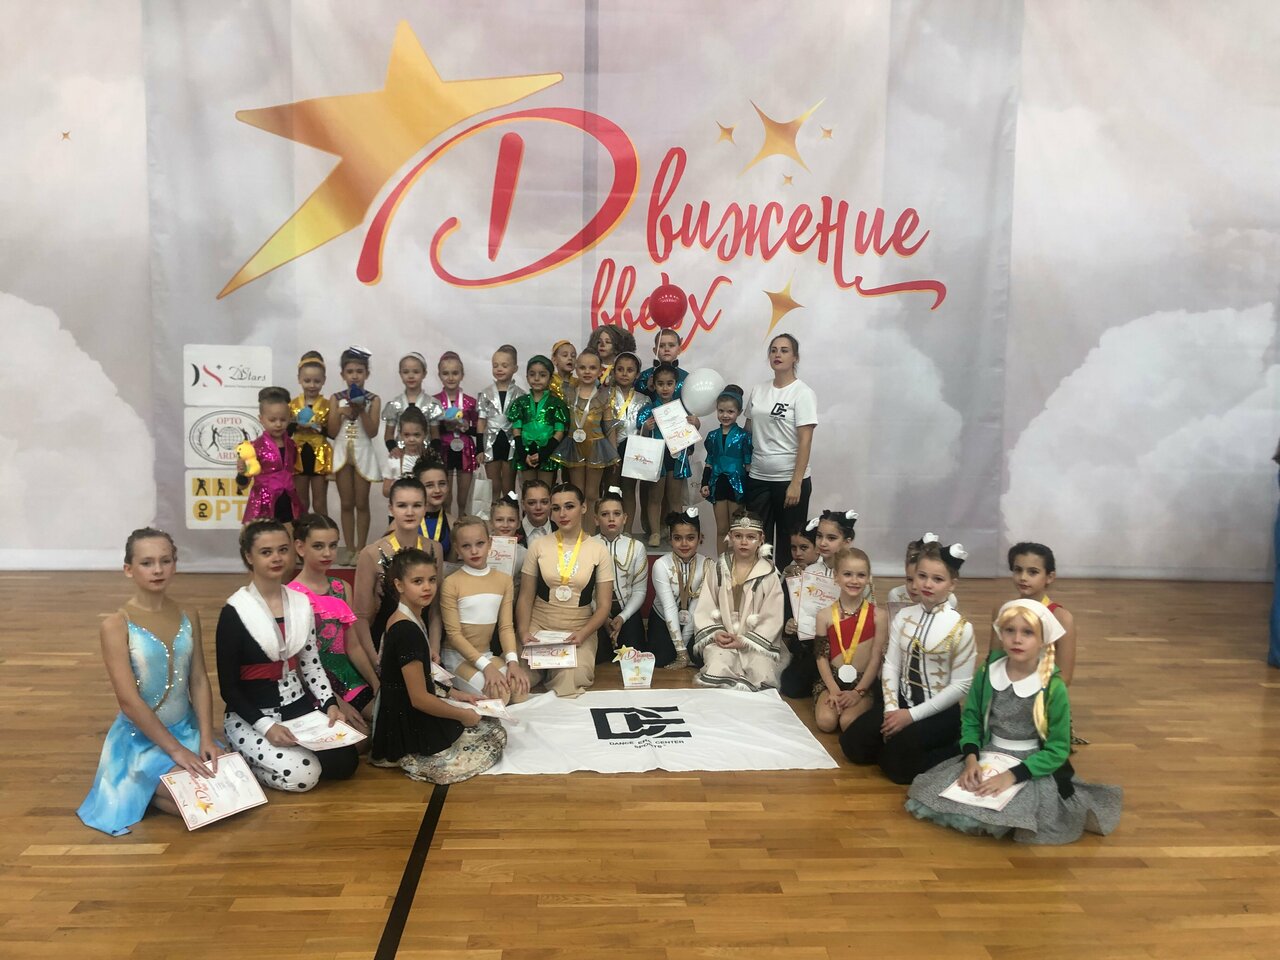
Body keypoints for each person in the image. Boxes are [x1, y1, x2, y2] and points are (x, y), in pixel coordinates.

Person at [905, 600, 1121, 844]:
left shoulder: (1053, 687)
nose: (1017, 639)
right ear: (1001, 634)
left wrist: (1012, 776)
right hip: (989, 752)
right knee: (948, 793)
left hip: (1030, 763)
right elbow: (971, 720)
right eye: (1010, 630)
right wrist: (971, 759)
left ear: (1043, 640)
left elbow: (1058, 748)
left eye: (1027, 633)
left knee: (1014, 805)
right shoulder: (987, 673)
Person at [78, 529, 223, 836]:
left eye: (165, 561)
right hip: (141, 739)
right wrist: (176, 751)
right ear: (128, 569)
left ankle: (151, 789)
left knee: (231, 785)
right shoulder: (116, 625)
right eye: (147, 563)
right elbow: (128, 701)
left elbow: (198, 679)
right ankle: (142, 787)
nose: (157, 570)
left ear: (175, 564)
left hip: (186, 729)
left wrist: (206, 737)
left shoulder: (188, 614)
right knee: (205, 803)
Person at [216, 520, 361, 792]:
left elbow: (311, 664)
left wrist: (330, 703)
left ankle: (285, 755)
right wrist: (266, 727)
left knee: (345, 763)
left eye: (282, 550)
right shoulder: (235, 611)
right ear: (249, 556)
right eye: (266, 552)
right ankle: (243, 759)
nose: (277, 558)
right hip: (252, 712)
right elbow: (229, 688)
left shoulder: (300, 603)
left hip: (297, 705)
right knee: (305, 775)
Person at [840, 536, 975, 785]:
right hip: (902, 700)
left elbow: (961, 685)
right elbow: (891, 665)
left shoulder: (961, 627)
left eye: (938, 579)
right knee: (852, 745)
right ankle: (899, 746)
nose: (927, 584)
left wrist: (910, 716)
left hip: (938, 710)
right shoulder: (904, 616)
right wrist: (891, 709)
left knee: (896, 768)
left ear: (952, 584)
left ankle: (953, 746)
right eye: (922, 576)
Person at [371, 548, 507, 783]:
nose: (427, 587)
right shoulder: (406, 630)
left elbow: (422, 677)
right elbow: (419, 698)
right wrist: (462, 715)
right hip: (408, 720)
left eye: (432, 580)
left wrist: (456, 694)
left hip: (405, 708)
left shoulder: (410, 617)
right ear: (399, 585)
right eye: (417, 581)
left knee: (486, 720)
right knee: (493, 733)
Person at [515, 482, 615, 697]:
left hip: (578, 628)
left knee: (571, 680)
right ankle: (542, 670)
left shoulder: (599, 550)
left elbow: (604, 606)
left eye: (569, 506)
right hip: (539, 625)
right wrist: (523, 632)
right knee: (518, 680)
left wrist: (583, 634)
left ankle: (553, 671)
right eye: (556, 508)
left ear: (584, 507)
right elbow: (525, 597)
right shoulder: (538, 545)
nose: (562, 514)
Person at [288, 513, 375, 722]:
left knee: (384, 718)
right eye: (318, 546)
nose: (327, 553)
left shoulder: (341, 588)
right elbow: (297, 662)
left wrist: (376, 682)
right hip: (311, 683)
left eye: (333, 546)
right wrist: (334, 701)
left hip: (347, 677)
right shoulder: (292, 595)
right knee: (358, 735)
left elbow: (353, 646)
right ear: (300, 547)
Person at [690, 510, 786, 691]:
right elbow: (706, 606)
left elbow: (772, 616)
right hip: (724, 639)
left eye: (751, 537)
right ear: (730, 537)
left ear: (761, 539)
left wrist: (745, 641)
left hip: (755, 643)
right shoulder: (718, 568)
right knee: (717, 667)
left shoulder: (769, 574)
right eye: (738, 536)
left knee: (761, 674)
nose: (744, 542)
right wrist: (717, 633)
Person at [439, 515, 530, 703]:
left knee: (519, 691)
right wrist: (487, 667)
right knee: (499, 694)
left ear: (490, 543)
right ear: (457, 549)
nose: (474, 551)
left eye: (480, 543)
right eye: (466, 546)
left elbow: (506, 627)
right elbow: (454, 635)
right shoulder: (451, 583)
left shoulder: (504, 580)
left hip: (485, 653)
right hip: (457, 657)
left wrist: (512, 662)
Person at [744, 333, 818, 555]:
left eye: (784, 350)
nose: (778, 354)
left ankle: (785, 581)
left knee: (789, 546)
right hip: (758, 477)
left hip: (788, 480)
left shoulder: (802, 393)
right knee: (759, 545)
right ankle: (761, 580)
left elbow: (805, 440)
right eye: (774, 350)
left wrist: (796, 483)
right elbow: (748, 429)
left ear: (795, 357)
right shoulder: (759, 390)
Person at [351, 478, 435, 660]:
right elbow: (361, 616)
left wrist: (434, 649)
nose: (410, 512)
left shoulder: (434, 548)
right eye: (402, 505)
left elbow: (435, 608)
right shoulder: (371, 553)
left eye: (417, 505)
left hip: (424, 641)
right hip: (385, 644)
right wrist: (375, 661)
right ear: (391, 509)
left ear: (425, 507)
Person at [779, 510, 857, 698]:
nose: (823, 543)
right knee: (790, 686)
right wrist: (793, 625)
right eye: (820, 536)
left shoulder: (855, 574)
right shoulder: (811, 571)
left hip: (845, 648)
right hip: (814, 645)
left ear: (847, 541)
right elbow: (804, 611)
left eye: (831, 538)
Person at [812, 547, 883, 734]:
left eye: (861, 575)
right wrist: (833, 688)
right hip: (832, 680)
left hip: (863, 682)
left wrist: (858, 692)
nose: (854, 580)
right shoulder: (824, 615)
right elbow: (820, 656)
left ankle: (862, 700)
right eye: (847, 574)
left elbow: (876, 658)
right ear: (836, 577)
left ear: (868, 578)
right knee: (826, 722)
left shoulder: (879, 616)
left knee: (848, 723)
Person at [551, 349, 620, 527]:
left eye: (592, 368)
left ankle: (590, 533)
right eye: (582, 368)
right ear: (576, 369)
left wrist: (614, 453)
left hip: (597, 446)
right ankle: (576, 532)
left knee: (592, 494)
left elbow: (609, 426)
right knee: (577, 493)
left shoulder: (604, 395)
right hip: (573, 445)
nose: (587, 372)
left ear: (599, 371)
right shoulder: (568, 393)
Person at [327, 346, 383, 566]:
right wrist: (341, 413)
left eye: (359, 371)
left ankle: (361, 549)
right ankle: (349, 548)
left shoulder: (373, 399)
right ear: (342, 374)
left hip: (363, 453)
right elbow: (332, 432)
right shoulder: (336, 398)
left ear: (367, 374)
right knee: (347, 503)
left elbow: (372, 431)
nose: (355, 376)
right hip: (342, 453)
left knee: (361, 502)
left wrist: (361, 410)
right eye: (350, 371)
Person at [636, 363, 692, 548]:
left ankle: (676, 532)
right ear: (654, 385)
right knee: (655, 497)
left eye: (669, 383)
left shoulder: (682, 408)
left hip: (676, 456)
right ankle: (655, 532)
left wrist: (696, 423)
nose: (665, 388)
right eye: (660, 384)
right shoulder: (648, 409)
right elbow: (640, 434)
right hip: (656, 456)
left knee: (675, 498)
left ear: (676, 384)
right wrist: (646, 427)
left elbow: (691, 431)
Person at [646, 508, 709, 668]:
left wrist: (684, 646)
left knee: (699, 657)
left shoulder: (707, 565)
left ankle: (684, 649)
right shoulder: (661, 565)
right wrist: (681, 652)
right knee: (661, 659)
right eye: (677, 538)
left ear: (700, 538)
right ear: (670, 540)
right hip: (663, 617)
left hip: (693, 619)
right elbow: (669, 607)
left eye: (690, 538)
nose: (684, 544)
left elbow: (696, 608)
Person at [592, 487, 647, 663]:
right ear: (596, 519)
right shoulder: (587, 546)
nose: (611, 518)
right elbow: (584, 592)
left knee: (633, 660)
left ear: (625, 518)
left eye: (616, 513)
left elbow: (639, 590)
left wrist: (622, 617)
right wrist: (602, 618)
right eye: (605, 514)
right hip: (594, 613)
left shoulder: (636, 547)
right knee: (598, 660)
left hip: (627, 612)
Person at [238, 386, 301, 526]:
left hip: (289, 504)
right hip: (263, 504)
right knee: (264, 536)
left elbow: (295, 475)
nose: (278, 424)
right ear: (261, 419)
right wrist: (241, 472)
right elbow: (242, 485)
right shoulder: (253, 448)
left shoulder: (292, 445)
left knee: (289, 536)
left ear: (289, 418)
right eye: (272, 420)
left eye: (283, 420)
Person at [699, 385, 753, 547]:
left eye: (730, 411)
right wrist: (704, 483)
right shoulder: (712, 436)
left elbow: (748, 464)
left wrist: (749, 489)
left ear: (739, 412)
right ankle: (721, 561)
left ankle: (736, 561)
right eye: (721, 411)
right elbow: (709, 461)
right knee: (722, 529)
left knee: (736, 529)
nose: (725, 415)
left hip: (737, 485)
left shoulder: (744, 436)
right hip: (718, 483)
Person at [605, 351, 652, 533]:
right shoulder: (605, 395)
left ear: (637, 374)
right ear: (614, 371)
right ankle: (609, 530)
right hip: (610, 446)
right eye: (620, 369)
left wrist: (646, 428)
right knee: (611, 489)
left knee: (629, 489)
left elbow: (646, 430)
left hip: (633, 448)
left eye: (630, 370)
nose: (624, 374)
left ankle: (627, 531)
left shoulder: (644, 399)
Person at [476, 345, 526, 509]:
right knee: (493, 485)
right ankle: (493, 516)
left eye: (504, 365)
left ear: (515, 368)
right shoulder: (485, 393)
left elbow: (522, 423)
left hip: (511, 441)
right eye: (495, 365)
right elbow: (481, 421)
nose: (499, 369)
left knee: (509, 485)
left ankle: (511, 515)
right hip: (491, 442)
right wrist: (479, 448)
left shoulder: (521, 394)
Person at [508, 355, 569, 488]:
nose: (536, 378)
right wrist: (523, 453)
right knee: (529, 490)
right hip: (525, 452)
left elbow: (559, 431)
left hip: (547, 452)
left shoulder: (556, 404)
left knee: (545, 489)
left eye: (542, 375)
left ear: (550, 378)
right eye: (532, 374)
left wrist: (544, 454)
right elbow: (516, 429)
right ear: (526, 377)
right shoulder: (520, 403)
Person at [433, 351, 479, 516]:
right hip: (442, 450)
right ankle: (445, 524)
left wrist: (466, 427)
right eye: (446, 373)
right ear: (439, 375)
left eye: (455, 373)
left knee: (463, 499)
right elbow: (429, 429)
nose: (451, 377)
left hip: (465, 450)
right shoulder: (434, 401)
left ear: (462, 375)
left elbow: (479, 429)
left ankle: (462, 523)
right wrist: (444, 425)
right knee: (445, 498)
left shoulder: (471, 402)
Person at [290, 351, 332, 515]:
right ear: (299, 379)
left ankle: (324, 529)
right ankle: (302, 529)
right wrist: (296, 426)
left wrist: (319, 428)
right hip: (298, 454)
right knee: (301, 502)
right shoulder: (292, 404)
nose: (312, 385)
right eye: (307, 381)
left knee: (319, 502)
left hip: (319, 454)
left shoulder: (328, 404)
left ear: (324, 380)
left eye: (317, 381)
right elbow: (286, 430)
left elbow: (333, 432)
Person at [382, 351, 443, 452]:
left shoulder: (432, 404)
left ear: (424, 373)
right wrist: (393, 449)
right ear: (400, 374)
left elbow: (435, 435)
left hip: (425, 455)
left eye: (416, 372)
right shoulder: (395, 404)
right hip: (401, 456)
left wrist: (431, 454)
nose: (411, 376)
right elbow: (389, 435)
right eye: (406, 372)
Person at [887, 537, 959, 612]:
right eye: (910, 579)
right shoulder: (896, 595)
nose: (914, 587)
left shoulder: (950, 600)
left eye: (922, 577)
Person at [381, 406, 431, 498]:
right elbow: (385, 491)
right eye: (407, 435)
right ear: (400, 434)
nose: (411, 439)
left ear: (425, 434)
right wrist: (398, 486)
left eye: (416, 435)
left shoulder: (430, 459)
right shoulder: (394, 458)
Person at [412, 455, 453, 560]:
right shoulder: (405, 521)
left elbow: (453, 564)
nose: (437, 490)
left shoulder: (452, 523)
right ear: (417, 488)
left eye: (442, 484)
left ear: (448, 486)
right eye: (429, 485)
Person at [636, 328, 690, 400]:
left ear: (679, 350)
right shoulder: (644, 376)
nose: (666, 349)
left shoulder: (687, 378)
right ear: (655, 351)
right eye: (661, 346)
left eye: (671, 345)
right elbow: (634, 398)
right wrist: (647, 388)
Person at [519, 478, 554, 544]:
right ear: (523, 505)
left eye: (544, 502)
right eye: (532, 503)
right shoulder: (512, 532)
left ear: (551, 503)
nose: (538, 507)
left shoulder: (560, 530)